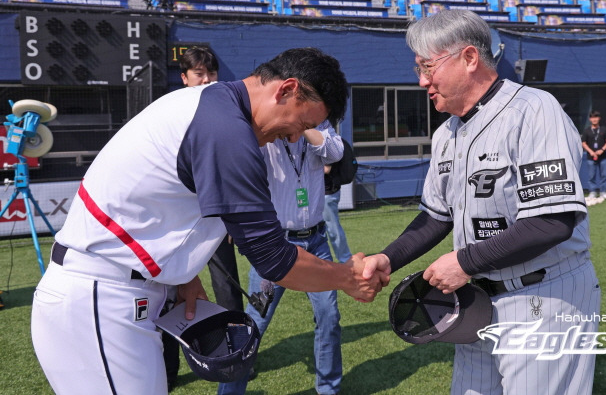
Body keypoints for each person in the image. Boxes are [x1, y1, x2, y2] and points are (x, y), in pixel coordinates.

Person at [31, 47, 387, 395]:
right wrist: (346, 277)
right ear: (287, 89)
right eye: (302, 122)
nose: (295, 136)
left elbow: (163, 209)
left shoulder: (215, 107)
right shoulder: (226, 128)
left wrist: (184, 276)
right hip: (101, 295)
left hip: (116, 291)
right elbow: (273, 259)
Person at [362, 10, 600, 395]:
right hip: (476, 301)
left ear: (470, 58)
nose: (422, 80)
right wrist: (388, 259)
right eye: (417, 68)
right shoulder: (447, 133)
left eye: (428, 66)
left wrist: (464, 261)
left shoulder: (533, 109)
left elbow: (553, 221)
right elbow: (436, 217)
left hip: (544, 293)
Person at [219, 121, 344, 395]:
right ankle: (229, 392)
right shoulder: (267, 134)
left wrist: (305, 124)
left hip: (316, 242)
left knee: (329, 317)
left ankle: (329, 390)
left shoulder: (318, 126)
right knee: (255, 323)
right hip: (276, 245)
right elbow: (238, 173)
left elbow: (335, 152)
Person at [162, 45, 246, 391]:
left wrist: (224, 218)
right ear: (184, 78)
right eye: (199, 74)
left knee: (227, 289)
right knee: (167, 297)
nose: (207, 80)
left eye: (211, 73)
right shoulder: (169, 114)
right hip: (174, 227)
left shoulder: (224, 114)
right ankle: (167, 370)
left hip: (213, 222)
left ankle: (236, 358)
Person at [582, 111, 606, 200]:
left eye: (596, 117)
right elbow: (583, 143)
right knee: (591, 176)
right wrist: (591, 151)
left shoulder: (604, 129)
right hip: (591, 157)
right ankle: (592, 192)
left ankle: (603, 192)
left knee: (604, 175)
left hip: (603, 157)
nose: (594, 119)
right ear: (590, 119)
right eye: (592, 117)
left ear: (599, 118)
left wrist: (602, 150)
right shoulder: (587, 130)